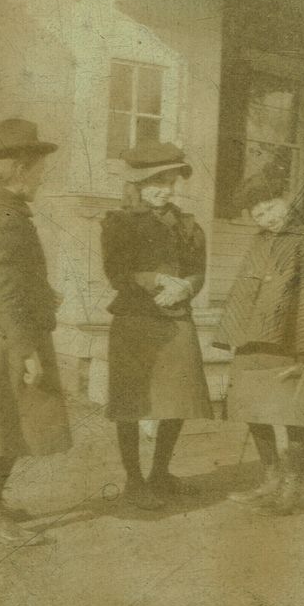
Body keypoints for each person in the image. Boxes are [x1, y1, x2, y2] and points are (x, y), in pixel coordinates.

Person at [213, 182, 304, 515]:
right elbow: (244, 291)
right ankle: (269, 479)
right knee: (252, 410)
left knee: (295, 414)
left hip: (293, 341)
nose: (267, 218)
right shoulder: (260, 242)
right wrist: (235, 330)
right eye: (259, 215)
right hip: (255, 342)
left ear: (285, 200)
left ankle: (292, 487)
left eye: (271, 208)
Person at [0, 118, 72, 545]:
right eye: (38, 167)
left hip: (14, 329)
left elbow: (14, 277)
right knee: (4, 422)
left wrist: (44, 293)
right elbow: (2, 287)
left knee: (16, 419)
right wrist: (26, 349)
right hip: (8, 335)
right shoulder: (1, 216)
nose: (43, 176)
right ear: (20, 169)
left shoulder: (6, 210)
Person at [100, 140, 213, 510]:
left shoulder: (188, 224)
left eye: (169, 180)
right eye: (154, 182)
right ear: (136, 184)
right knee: (132, 403)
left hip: (177, 318)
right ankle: (134, 480)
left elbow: (197, 271)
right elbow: (116, 273)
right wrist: (159, 281)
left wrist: (186, 287)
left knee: (180, 400)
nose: (163, 189)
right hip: (135, 320)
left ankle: (159, 472)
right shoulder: (119, 222)